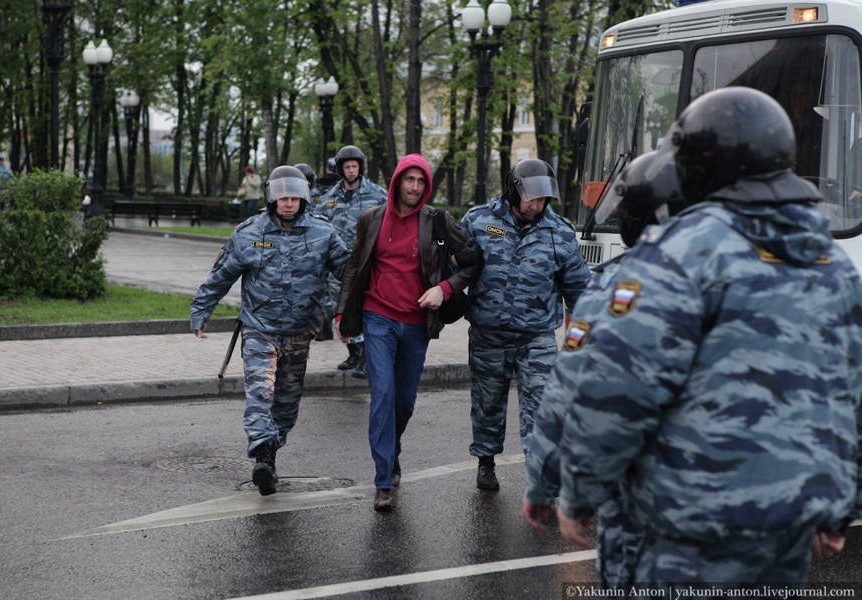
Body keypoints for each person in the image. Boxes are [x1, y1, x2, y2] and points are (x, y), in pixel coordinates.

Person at [523, 87, 862, 585]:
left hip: (687, 533)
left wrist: (576, 492)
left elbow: (615, 390)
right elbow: (848, 395)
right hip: (785, 534)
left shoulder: (678, 258)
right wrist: (838, 503)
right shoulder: (831, 262)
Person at [191, 165, 349, 497]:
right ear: (270, 198)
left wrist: (354, 311)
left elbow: (349, 272)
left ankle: (271, 457)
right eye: (282, 198)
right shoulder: (249, 233)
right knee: (260, 395)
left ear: (303, 198)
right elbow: (221, 274)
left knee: (286, 406)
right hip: (259, 330)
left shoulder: (323, 233)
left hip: (299, 333)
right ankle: (262, 456)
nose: (288, 204)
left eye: (294, 198)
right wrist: (201, 310)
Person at [336, 153, 477, 511]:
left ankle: (392, 449)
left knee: (404, 401)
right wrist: (341, 313)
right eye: (409, 180)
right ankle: (383, 479)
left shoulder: (438, 222)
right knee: (382, 393)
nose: (414, 187)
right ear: (397, 180)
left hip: (417, 323)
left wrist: (444, 290)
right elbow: (354, 265)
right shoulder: (371, 219)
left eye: (421, 182)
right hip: (377, 317)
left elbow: (475, 262)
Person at [458, 158, 590, 492]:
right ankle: (486, 461)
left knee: (544, 405)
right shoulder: (480, 221)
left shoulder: (559, 231)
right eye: (532, 198)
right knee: (487, 403)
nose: (537, 205)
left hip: (537, 336)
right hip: (489, 333)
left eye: (544, 199)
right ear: (512, 191)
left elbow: (579, 288)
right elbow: (453, 265)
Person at [314, 144, 387, 377]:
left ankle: (368, 357)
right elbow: (319, 229)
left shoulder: (377, 195)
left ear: (361, 167)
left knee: (366, 310)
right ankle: (354, 351)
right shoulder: (328, 199)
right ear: (340, 169)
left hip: (368, 265)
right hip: (338, 268)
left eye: (355, 166)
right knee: (340, 310)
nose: (352, 171)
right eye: (347, 167)